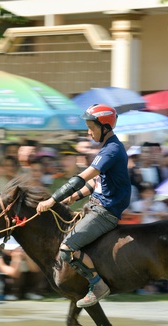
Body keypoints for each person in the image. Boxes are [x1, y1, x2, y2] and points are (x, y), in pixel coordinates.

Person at [36, 104, 131, 308]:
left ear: (105, 127)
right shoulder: (107, 148)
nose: (89, 132)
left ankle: (97, 285)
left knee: (66, 248)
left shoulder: (112, 150)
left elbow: (81, 178)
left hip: (106, 212)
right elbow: (95, 184)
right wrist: (72, 198)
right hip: (97, 205)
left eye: (91, 127)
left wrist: (52, 200)